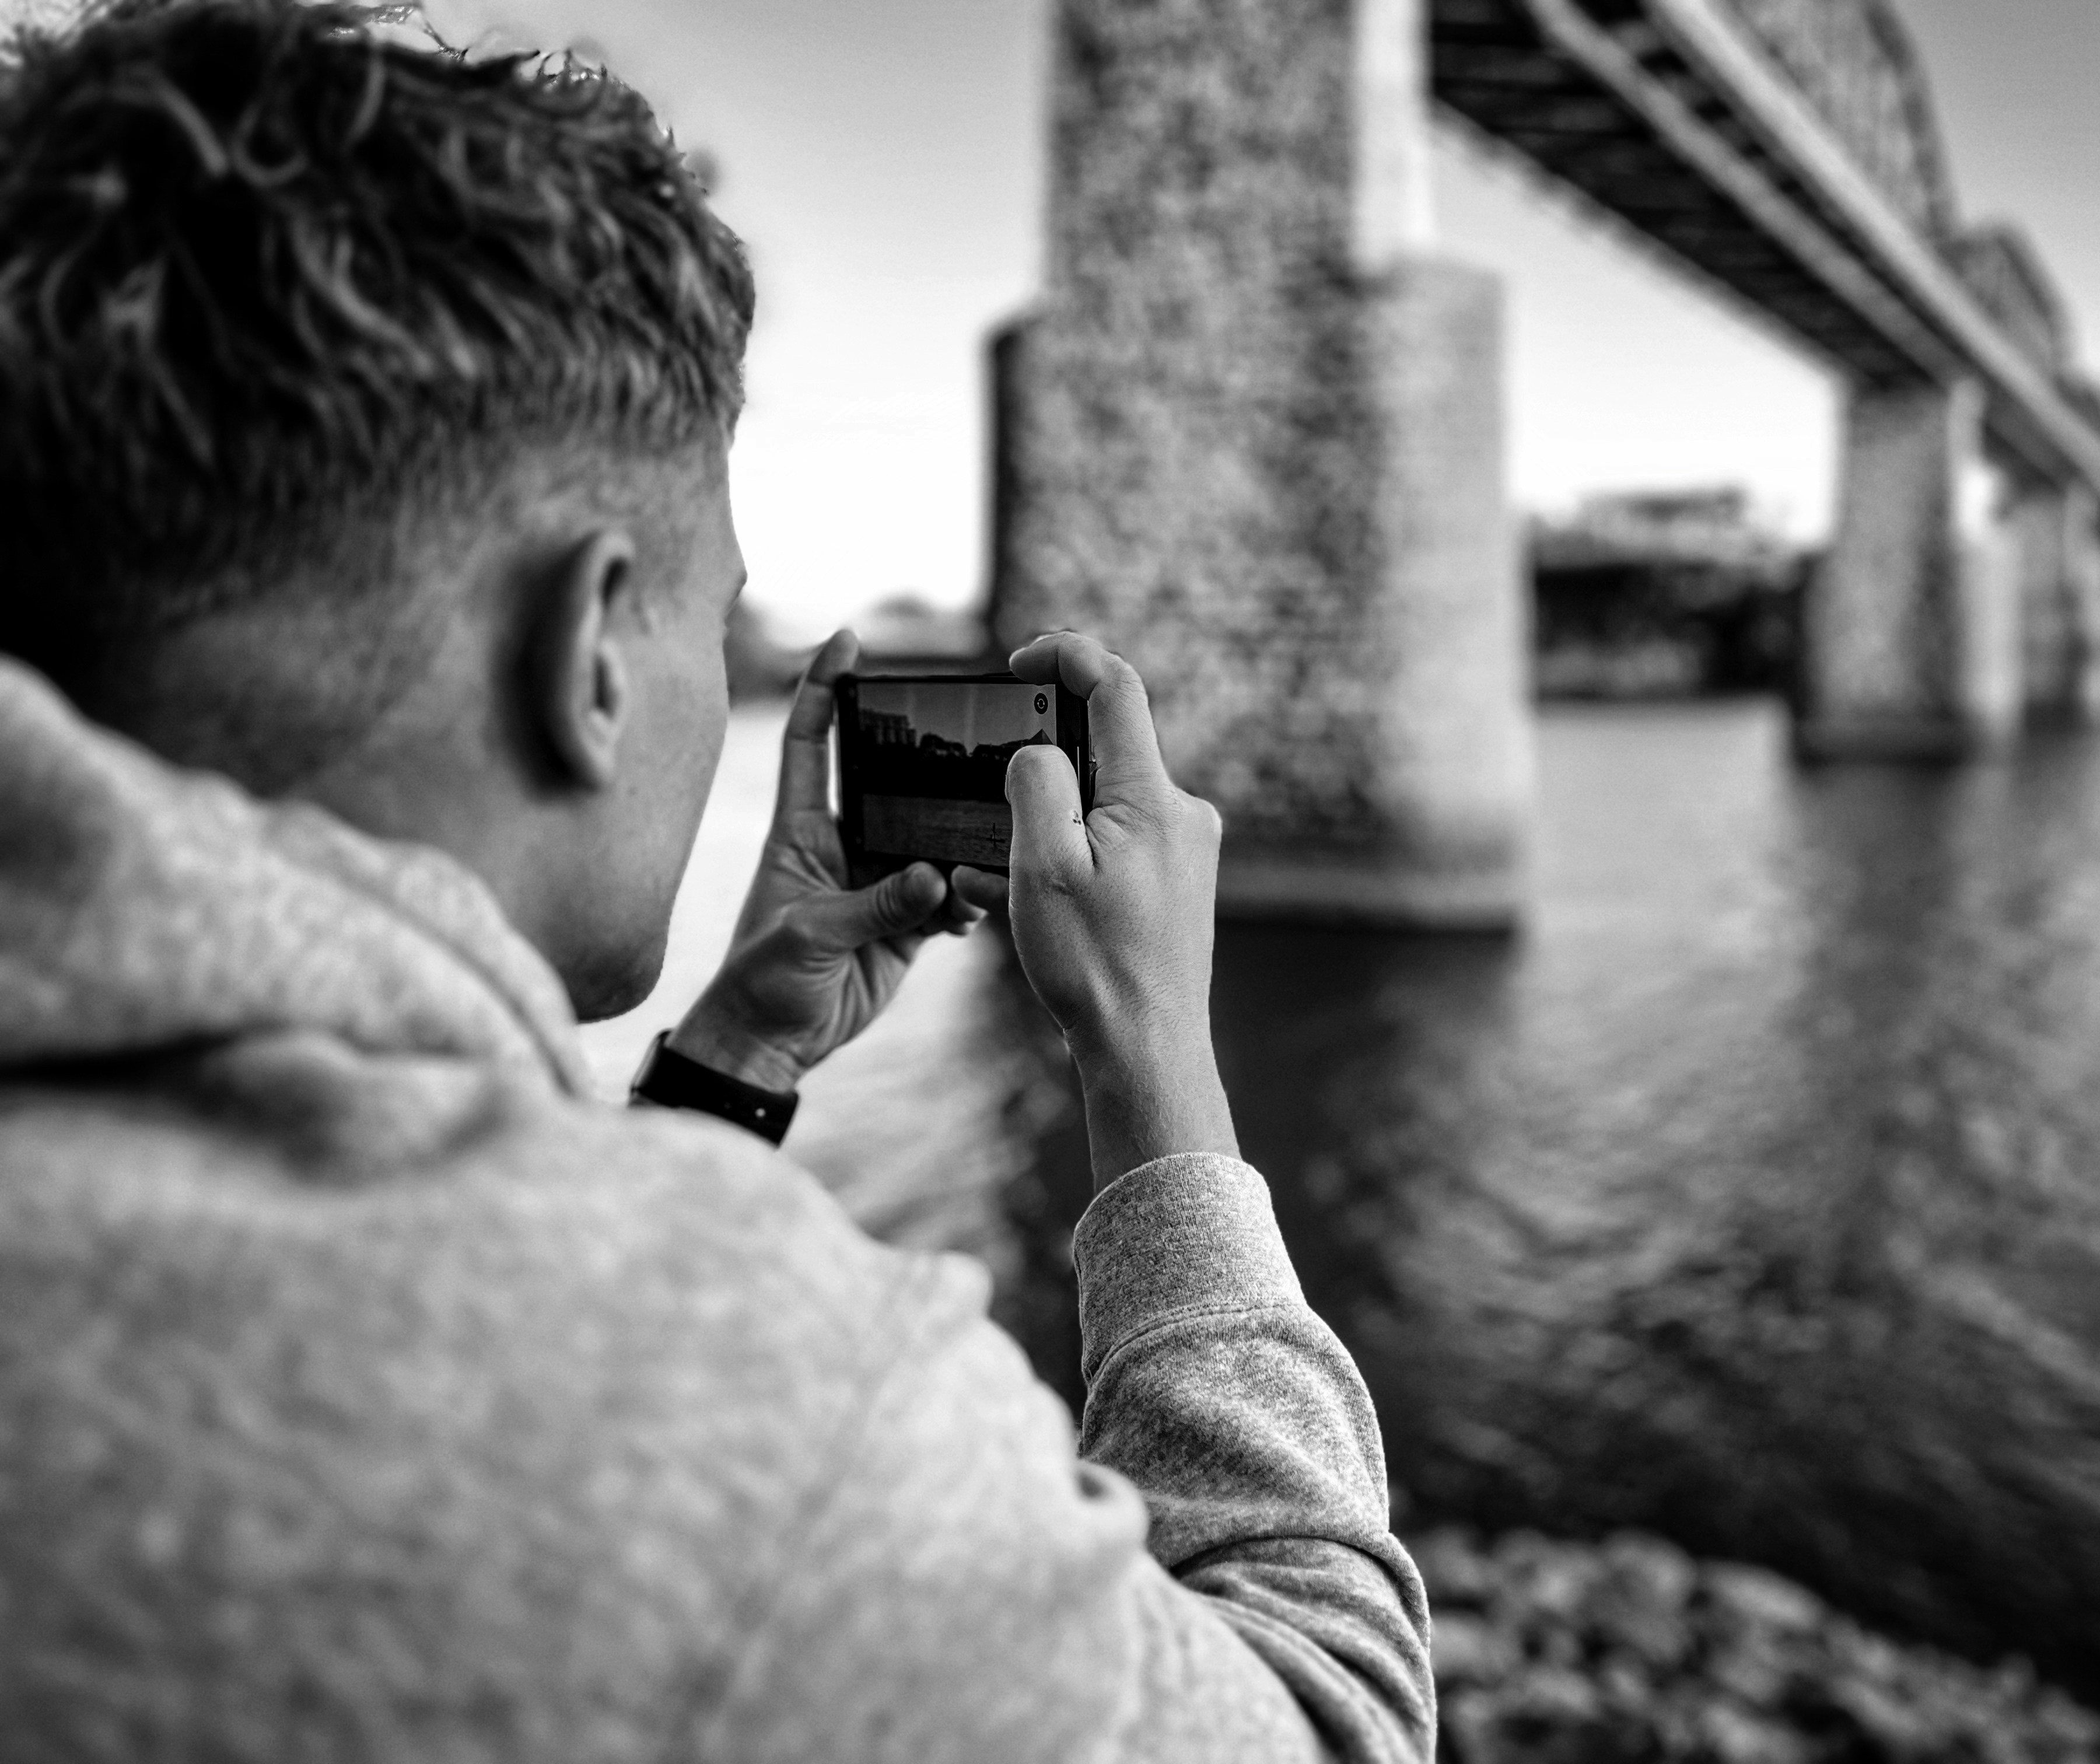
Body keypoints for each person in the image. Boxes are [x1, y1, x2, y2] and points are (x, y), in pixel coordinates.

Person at [0, 2, 1433, 1759]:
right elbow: (1331, 1717)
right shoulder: (766, 1418)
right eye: (709, 608)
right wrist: (1157, 1068)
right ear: (594, 643)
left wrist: (731, 1062)